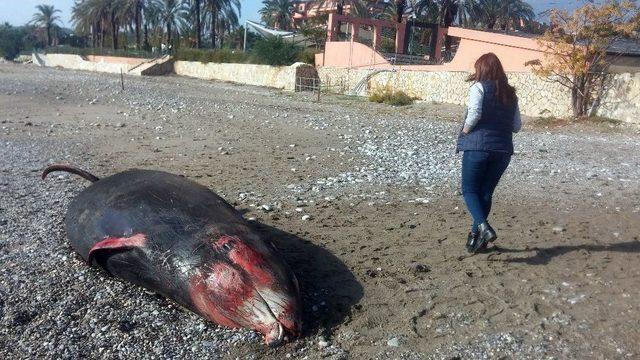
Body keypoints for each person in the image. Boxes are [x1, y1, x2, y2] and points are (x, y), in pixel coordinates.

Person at [456, 53, 522, 253]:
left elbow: (474, 113)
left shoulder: (478, 87)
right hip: (503, 150)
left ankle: (483, 227)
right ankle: (476, 237)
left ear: (482, 70)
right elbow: (517, 126)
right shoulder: (511, 94)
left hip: (477, 147)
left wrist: (465, 130)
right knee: (485, 192)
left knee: (469, 190)